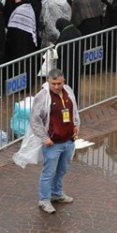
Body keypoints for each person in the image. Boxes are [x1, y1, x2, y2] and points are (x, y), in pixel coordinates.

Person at [29, 68, 79, 214]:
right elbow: (34, 120)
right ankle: (44, 200)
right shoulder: (42, 96)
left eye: (59, 83)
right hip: (53, 143)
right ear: (48, 82)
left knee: (62, 170)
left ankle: (57, 194)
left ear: (64, 81)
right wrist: (44, 138)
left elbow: (74, 110)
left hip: (68, 140)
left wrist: (77, 124)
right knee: (48, 172)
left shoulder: (68, 91)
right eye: (53, 84)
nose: (56, 87)